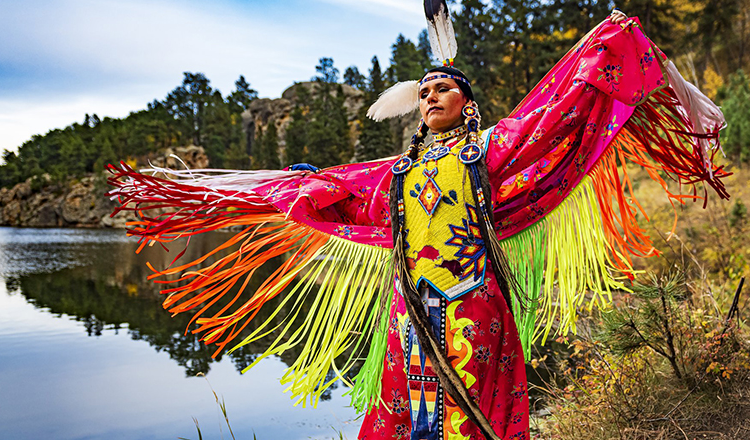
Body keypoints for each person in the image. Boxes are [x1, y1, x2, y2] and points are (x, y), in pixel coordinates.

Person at [108, 6, 730, 440]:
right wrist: (295, 189)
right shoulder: (400, 171)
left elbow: (551, 117)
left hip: (473, 299)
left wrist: (604, 47)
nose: (431, 95)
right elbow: (352, 193)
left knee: (472, 404)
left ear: (467, 102)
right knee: (413, 409)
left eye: (443, 88)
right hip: (411, 305)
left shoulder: (489, 149)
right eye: (424, 88)